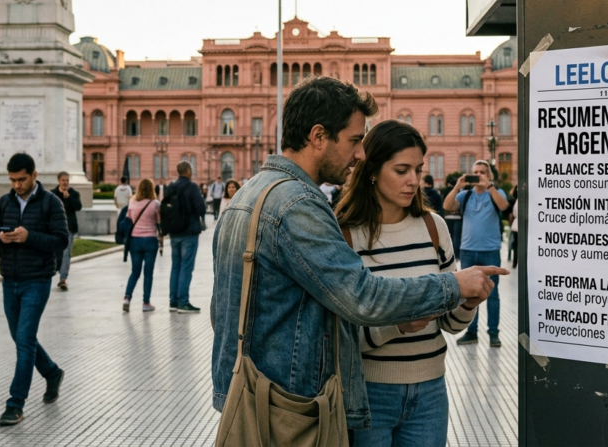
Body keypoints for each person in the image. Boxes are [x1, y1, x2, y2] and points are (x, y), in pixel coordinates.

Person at [211, 76, 508, 437]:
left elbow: (220, 312)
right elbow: (361, 298)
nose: (360, 153)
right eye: (353, 140)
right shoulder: (298, 206)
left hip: (252, 396)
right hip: (287, 405)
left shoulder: (249, 196)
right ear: (318, 136)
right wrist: (453, 285)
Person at [337, 121, 480, 446]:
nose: (414, 181)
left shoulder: (433, 227)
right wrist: (396, 325)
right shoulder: (345, 235)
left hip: (431, 392)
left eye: (417, 169)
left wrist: (467, 303)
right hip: (369, 396)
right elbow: (340, 337)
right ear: (371, 170)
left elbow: (450, 323)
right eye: (401, 170)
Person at [0, 153, 70, 426]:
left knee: (24, 339)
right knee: (22, 337)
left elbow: (60, 240)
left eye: (21, 179)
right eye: (12, 180)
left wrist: (28, 236)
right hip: (9, 280)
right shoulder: (4, 202)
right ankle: (52, 373)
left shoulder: (51, 203)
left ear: (34, 175)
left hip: (37, 279)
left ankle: (15, 404)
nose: (17, 185)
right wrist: (0, 239)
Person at [444, 159, 509, 348]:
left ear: (489, 175)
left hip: (490, 250)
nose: (478, 175)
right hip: (468, 251)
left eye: (482, 172)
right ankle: (471, 332)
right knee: (470, 295)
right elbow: (448, 206)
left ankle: (494, 333)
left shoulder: (496, 193)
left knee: (493, 294)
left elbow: (504, 206)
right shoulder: (466, 195)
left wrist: (489, 186)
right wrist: (457, 186)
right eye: (475, 172)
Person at [164, 161, 207, 313]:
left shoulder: (171, 187)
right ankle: (183, 302)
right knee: (186, 267)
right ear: (188, 171)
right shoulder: (192, 187)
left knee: (175, 266)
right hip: (189, 232)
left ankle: (173, 301)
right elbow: (201, 208)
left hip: (174, 232)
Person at [123, 178, 161, 312]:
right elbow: (158, 222)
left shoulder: (132, 203)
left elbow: (129, 219)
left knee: (135, 271)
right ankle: (146, 303)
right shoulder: (155, 204)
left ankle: (127, 298)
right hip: (150, 240)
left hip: (135, 241)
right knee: (148, 273)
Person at [51, 172, 82, 291]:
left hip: (69, 228)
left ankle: (63, 279)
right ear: (58, 181)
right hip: (55, 228)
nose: (65, 182)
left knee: (66, 253)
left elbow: (78, 207)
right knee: (56, 252)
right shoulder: (52, 194)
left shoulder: (74, 194)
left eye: (67, 180)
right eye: (63, 180)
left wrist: (69, 197)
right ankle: (55, 270)